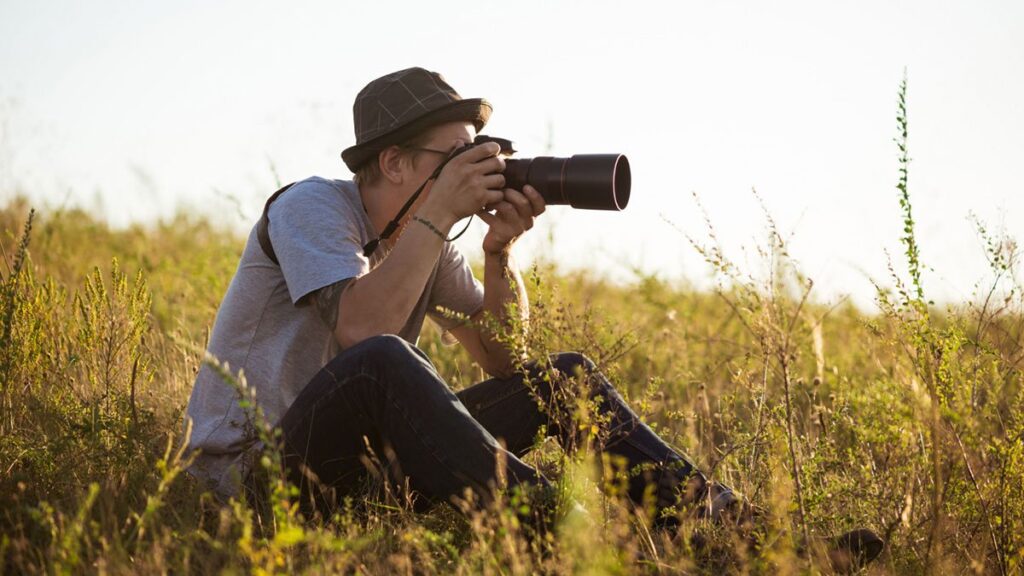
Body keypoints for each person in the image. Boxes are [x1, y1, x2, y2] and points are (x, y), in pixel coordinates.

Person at [183, 67, 882, 568]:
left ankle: (737, 539)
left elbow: (503, 361)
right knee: (384, 361)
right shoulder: (312, 206)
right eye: (456, 156)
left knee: (563, 378)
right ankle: (569, 540)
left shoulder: (422, 237)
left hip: (360, 487)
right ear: (392, 163)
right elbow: (364, 331)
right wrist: (437, 214)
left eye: (480, 154)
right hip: (253, 486)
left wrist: (498, 253)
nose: (477, 168)